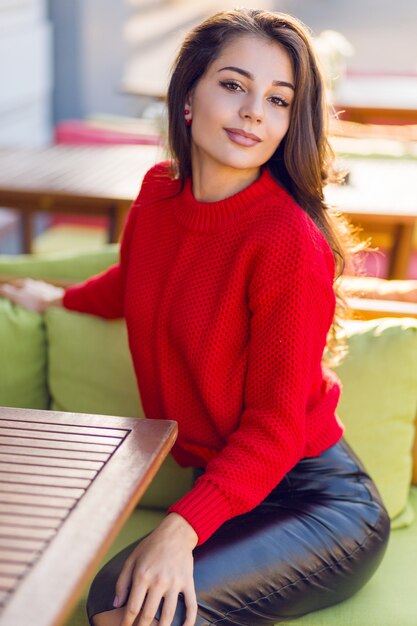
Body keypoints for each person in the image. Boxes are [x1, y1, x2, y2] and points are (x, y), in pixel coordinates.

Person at [0, 8, 390, 626]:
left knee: (138, 613)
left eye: (278, 99)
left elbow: (275, 431)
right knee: (112, 595)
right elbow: (136, 280)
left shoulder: (286, 241)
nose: (254, 111)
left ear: (291, 121)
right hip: (232, 488)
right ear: (188, 95)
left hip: (317, 501)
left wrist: (180, 530)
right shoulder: (158, 193)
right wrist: (58, 300)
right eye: (233, 85)